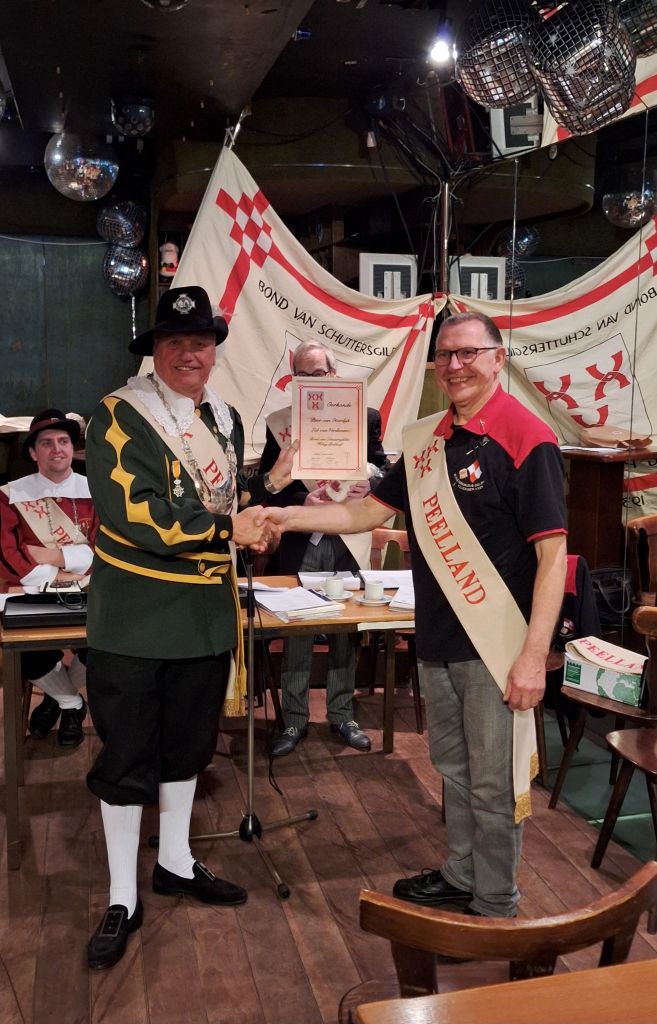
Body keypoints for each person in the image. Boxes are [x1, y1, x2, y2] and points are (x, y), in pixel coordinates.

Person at [264, 312, 567, 917]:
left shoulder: (527, 437)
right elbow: (366, 512)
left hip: (494, 645)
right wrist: (284, 516)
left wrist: (534, 656)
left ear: (498, 358)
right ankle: (462, 874)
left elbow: (553, 556)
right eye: (445, 355)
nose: (455, 365)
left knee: (493, 781)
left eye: (468, 353)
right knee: (453, 767)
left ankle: (495, 903)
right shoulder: (428, 438)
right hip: (436, 636)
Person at [84, 286, 288, 970]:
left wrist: (273, 488)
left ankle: (174, 861)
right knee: (126, 758)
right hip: (137, 616)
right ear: (155, 351)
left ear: (214, 351)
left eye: (200, 342)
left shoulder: (224, 419)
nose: (189, 354)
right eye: (175, 343)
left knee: (187, 749)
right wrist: (231, 529)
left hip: (204, 616)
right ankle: (121, 896)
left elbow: (228, 502)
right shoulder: (118, 415)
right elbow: (134, 514)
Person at [249, 341, 389, 757]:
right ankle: (294, 720)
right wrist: (302, 501)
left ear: (333, 375)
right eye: (303, 375)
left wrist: (370, 483)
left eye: (319, 374)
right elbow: (271, 486)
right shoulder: (281, 424)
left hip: (348, 536)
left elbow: (382, 469)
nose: (312, 381)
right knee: (298, 629)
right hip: (303, 537)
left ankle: (342, 715)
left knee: (347, 629)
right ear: (293, 380)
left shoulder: (364, 417)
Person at [0, 408, 96, 746]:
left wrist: (54, 556)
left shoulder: (97, 490)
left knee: (105, 640)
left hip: (90, 586)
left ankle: (58, 698)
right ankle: (71, 702)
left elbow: (106, 546)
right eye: (46, 443)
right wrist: (59, 571)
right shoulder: (10, 495)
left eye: (63, 441)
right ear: (32, 452)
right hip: (32, 587)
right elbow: (6, 553)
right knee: (25, 648)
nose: (57, 449)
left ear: (72, 447)